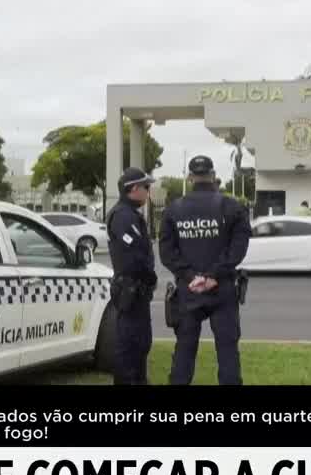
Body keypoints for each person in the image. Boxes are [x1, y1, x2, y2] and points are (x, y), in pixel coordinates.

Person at [159, 155, 250, 386]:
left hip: (189, 290)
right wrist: (213, 276)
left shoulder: (173, 210)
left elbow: (167, 254)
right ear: (213, 175)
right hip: (222, 289)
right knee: (228, 351)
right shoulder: (233, 207)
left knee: (184, 350)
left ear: (190, 178)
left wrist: (191, 277)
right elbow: (238, 250)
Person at [105, 167, 157, 385]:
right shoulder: (122, 216)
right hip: (130, 290)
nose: (148, 191)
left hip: (138, 291)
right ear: (134, 188)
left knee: (141, 343)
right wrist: (150, 276)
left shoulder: (131, 215)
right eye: (146, 187)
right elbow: (135, 255)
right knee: (129, 346)